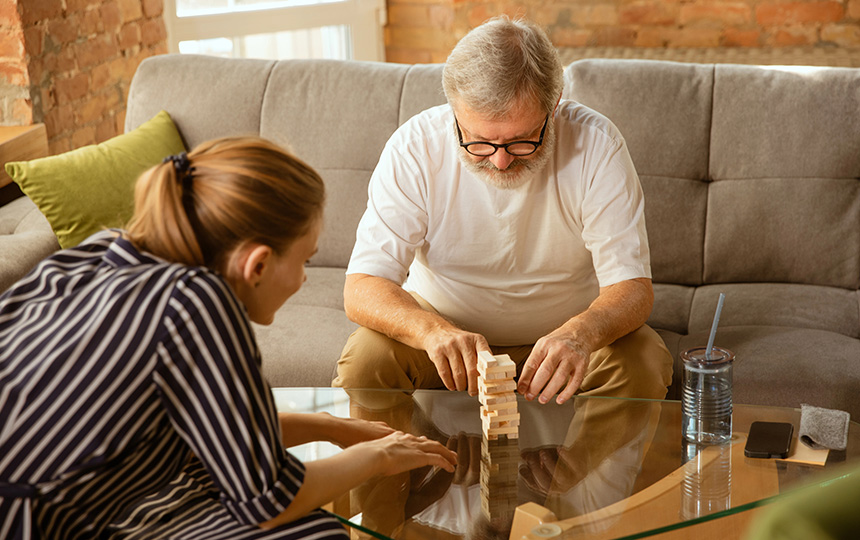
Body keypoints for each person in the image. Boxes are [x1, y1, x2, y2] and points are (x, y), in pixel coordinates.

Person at [0, 136, 456, 540]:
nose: (302, 280)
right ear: (256, 265)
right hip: (39, 525)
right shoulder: (198, 302)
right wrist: (380, 457)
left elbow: (222, 432)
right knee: (312, 531)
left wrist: (336, 427)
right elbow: (269, 503)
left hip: (65, 500)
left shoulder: (99, 251)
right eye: (305, 261)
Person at [334, 16, 673, 405]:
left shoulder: (598, 146)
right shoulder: (414, 148)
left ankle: (576, 469)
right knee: (365, 362)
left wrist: (580, 334)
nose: (499, 162)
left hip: (567, 333)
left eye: (521, 141)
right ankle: (411, 464)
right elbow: (362, 286)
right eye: (478, 142)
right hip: (443, 330)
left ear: (554, 105)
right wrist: (432, 332)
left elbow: (632, 288)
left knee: (643, 363)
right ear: (454, 111)